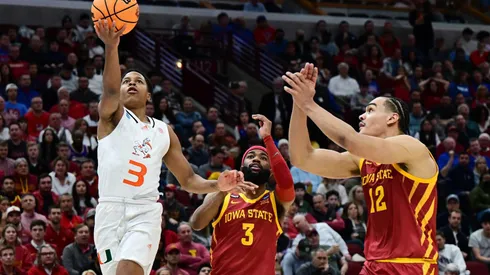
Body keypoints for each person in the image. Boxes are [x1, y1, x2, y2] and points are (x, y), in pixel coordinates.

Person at [92, 20, 256, 275]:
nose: (131, 83)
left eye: (138, 81)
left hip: (143, 211)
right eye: (126, 81)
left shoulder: (163, 131)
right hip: (108, 211)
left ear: (148, 95)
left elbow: (188, 179)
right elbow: (110, 90)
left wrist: (217, 186)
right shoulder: (111, 119)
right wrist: (112, 48)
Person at [283, 63, 439, 274]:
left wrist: (309, 104)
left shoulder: (413, 148)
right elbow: (303, 158)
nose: (362, 116)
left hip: (412, 264)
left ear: (392, 118)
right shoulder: (363, 160)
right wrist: (299, 105)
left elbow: (350, 140)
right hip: (373, 263)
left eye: (370, 110)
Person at [189, 114, 295, 275]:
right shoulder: (222, 195)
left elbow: (286, 183)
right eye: (251, 157)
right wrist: (223, 192)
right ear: (242, 166)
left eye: (263, 158)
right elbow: (196, 224)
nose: (256, 160)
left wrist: (267, 138)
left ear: (271, 171)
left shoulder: (276, 201)